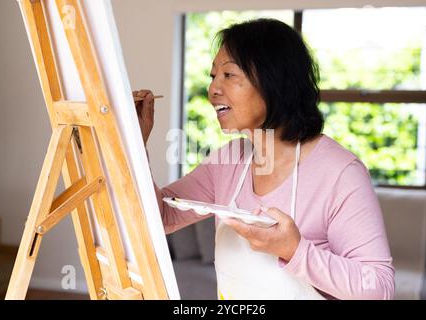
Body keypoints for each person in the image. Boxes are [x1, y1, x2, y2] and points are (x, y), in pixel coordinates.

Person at [134, 18, 395, 300]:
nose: (213, 91)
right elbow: (160, 217)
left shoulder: (341, 173)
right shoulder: (228, 161)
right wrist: (135, 141)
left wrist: (295, 250)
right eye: (213, 77)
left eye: (229, 75)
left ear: (273, 80)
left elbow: (379, 289)